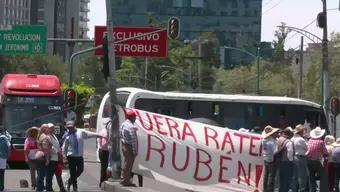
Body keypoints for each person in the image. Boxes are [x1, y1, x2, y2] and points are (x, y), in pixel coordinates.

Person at [62, 120, 105, 192]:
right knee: (72, 172)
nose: (70, 129)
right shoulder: (67, 135)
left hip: (79, 156)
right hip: (71, 156)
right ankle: (75, 188)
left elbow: (89, 134)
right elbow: (64, 147)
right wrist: (64, 157)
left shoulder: (80, 132)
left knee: (80, 170)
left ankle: (70, 181)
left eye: (71, 127)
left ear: (74, 126)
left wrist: (98, 135)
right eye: (68, 128)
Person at [119, 109, 138, 186]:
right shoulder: (131, 127)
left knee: (126, 162)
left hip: (124, 145)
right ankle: (126, 181)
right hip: (129, 147)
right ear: (133, 118)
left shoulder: (123, 124)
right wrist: (135, 151)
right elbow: (133, 141)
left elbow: (120, 135)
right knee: (129, 164)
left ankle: (124, 178)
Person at [306, 126, 328, 192]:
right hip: (317, 161)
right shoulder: (321, 142)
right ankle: (323, 190)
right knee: (323, 176)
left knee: (311, 177)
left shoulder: (309, 140)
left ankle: (312, 190)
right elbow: (325, 152)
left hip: (309, 160)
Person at [47, 123, 67, 192]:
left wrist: (60, 154)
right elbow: (50, 146)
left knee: (58, 174)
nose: (52, 129)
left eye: (53, 127)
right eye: (50, 128)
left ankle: (62, 188)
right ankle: (49, 188)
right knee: (50, 175)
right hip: (52, 158)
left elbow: (57, 146)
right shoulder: (48, 136)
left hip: (57, 159)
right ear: (48, 129)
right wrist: (57, 152)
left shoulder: (54, 136)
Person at [261, 125, 279, 192]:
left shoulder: (264, 140)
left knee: (266, 174)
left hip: (265, 158)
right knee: (271, 175)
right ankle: (269, 189)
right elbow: (275, 151)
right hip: (271, 159)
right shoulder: (272, 141)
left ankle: (264, 188)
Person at [291, 124, 308, 192]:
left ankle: (294, 189)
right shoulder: (301, 139)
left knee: (294, 175)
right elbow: (307, 147)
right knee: (302, 175)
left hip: (294, 157)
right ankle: (302, 190)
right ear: (301, 132)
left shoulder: (292, 139)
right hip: (301, 157)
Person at [276, 128, 295, 192]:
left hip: (279, 161)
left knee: (281, 179)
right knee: (287, 180)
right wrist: (291, 161)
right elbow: (290, 153)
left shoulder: (279, 139)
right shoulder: (288, 142)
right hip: (287, 162)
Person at [36, 124, 53, 192]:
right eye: (47, 128)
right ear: (44, 129)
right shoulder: (45, 137)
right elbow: (45, 149)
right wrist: (48, 159)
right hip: (43, 157)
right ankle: (40, 189)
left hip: (40, 157)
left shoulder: (40, 136)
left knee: (40, 174)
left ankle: (39, 189)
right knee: (42, 175)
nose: (49, 129)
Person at [97, 121, 109, 188]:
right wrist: (109, 141)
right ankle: (102, 182)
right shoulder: (106, 132)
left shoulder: (102, 131)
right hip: (104, 151)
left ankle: (102, 181)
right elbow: (104, 144)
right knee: (104, 167)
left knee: (104, 167)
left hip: (101, 150)